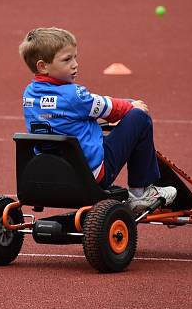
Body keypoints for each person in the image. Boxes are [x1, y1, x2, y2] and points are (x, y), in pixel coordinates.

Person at [19, 28, 177, 214]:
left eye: (75, 58)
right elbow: (109, 109)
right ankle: (140, 193)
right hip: (90, 174)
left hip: (49, 172)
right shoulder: (75, 95)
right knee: (139, 118)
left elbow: (78, 109)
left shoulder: (29, 94)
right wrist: (132, 106)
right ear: (43, 66)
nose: (75, 65)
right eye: (67, 60)